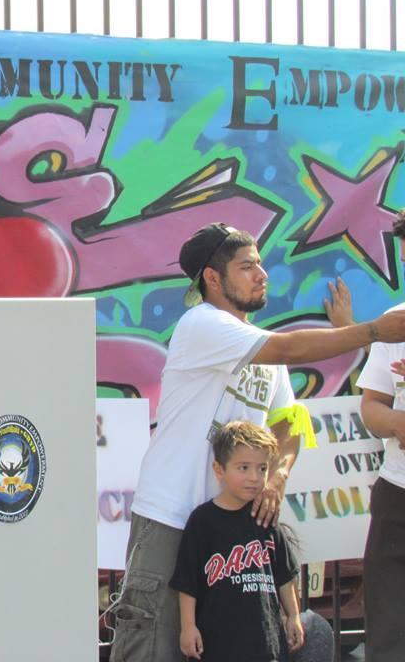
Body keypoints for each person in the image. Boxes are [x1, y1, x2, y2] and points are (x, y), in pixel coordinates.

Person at [110, 222, 405, 662]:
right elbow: (289, 349)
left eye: (261, 264)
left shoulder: (257, 345)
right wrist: (373, 331)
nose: (262, 274)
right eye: (247, 266)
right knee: (155, 644)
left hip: (233, 527)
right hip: (172, 518)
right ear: (213, 278)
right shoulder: (202, 324)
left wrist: (277, 478)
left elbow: (288, 421)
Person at [170, 421, 303, 662]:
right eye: (243, 467)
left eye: (262, 469)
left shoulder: (265, 517)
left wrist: (293, 615)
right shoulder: (203, 521)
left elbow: (284, 576)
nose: (254, 477)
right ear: (219, 470)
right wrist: (188, 627)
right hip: (218, 646)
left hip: (266, 645)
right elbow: (187, 582)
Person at [357, 209, 405, 662]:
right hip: (397, 494)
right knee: (389, 637)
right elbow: (371, 407)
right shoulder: (396, 322)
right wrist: (396, 424)